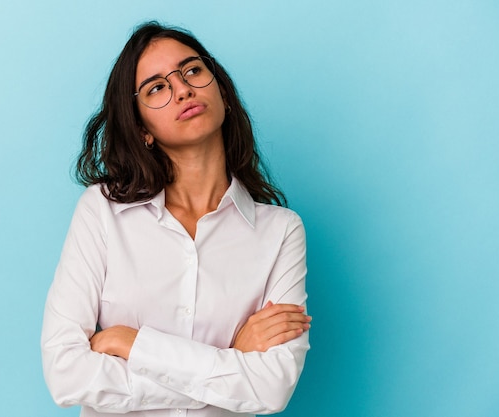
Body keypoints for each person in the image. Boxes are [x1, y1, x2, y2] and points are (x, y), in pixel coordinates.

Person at [41, 21, 312, 417]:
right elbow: (66, 374)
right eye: (157, 88)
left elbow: (272, 388)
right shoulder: (101, 211)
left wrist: (134, 345)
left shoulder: (281, 231)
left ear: (221, 90)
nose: (182, 89)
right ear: (141, 129)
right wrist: (230, 359)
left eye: (192, 71)